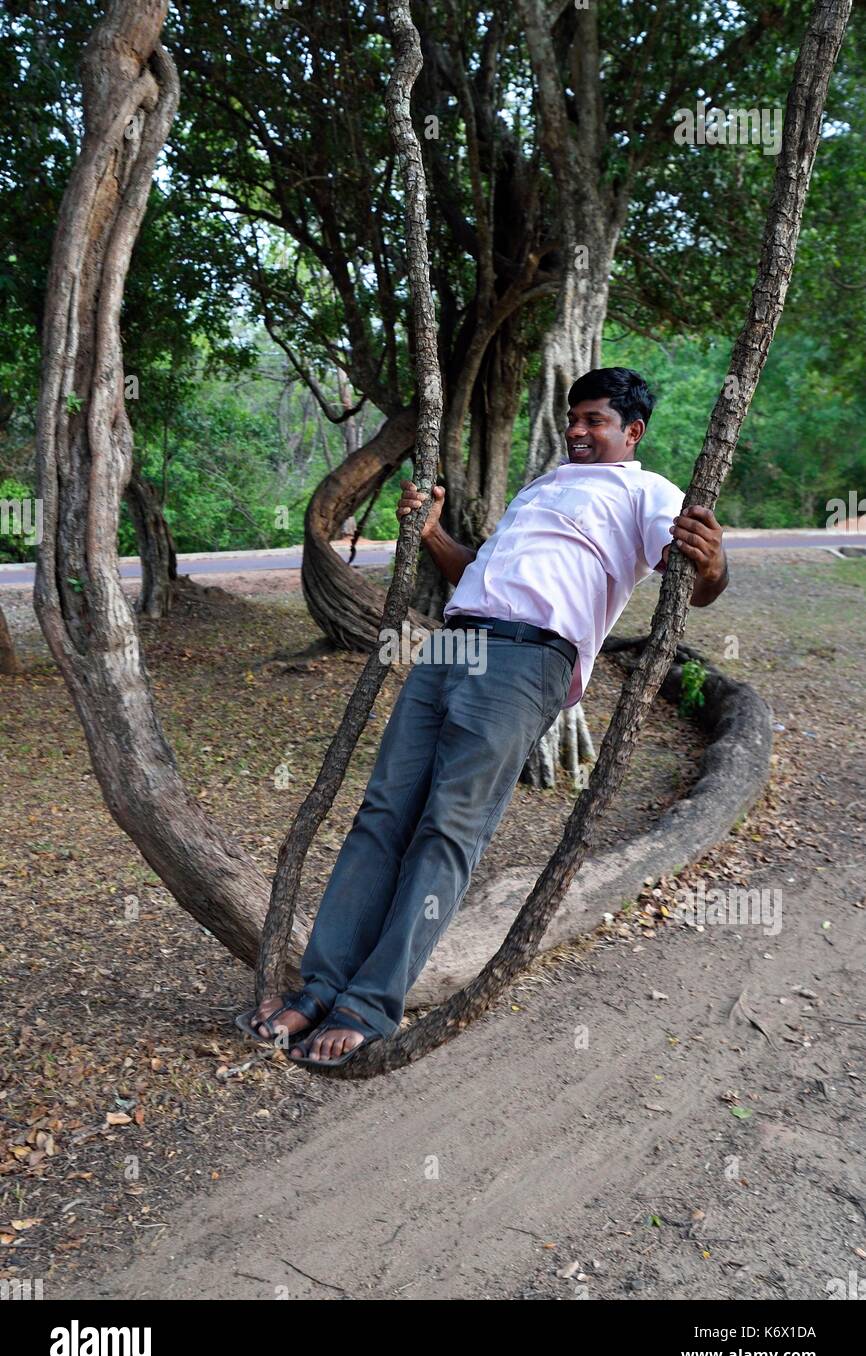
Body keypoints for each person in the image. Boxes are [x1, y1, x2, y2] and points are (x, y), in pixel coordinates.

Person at [241, 367, 728, 1068]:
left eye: (594, 420)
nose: (579, 431)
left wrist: (712, 568)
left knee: (447, 828)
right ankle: (318, 988)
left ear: (633, 431)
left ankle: (369, 1004)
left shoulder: (648, 493)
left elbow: (697, 577)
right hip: (454, 641)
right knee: (381, 815)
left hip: (529, 661)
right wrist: (434, 534)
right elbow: (478, 573)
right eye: (574, 419)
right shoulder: (542, 487)